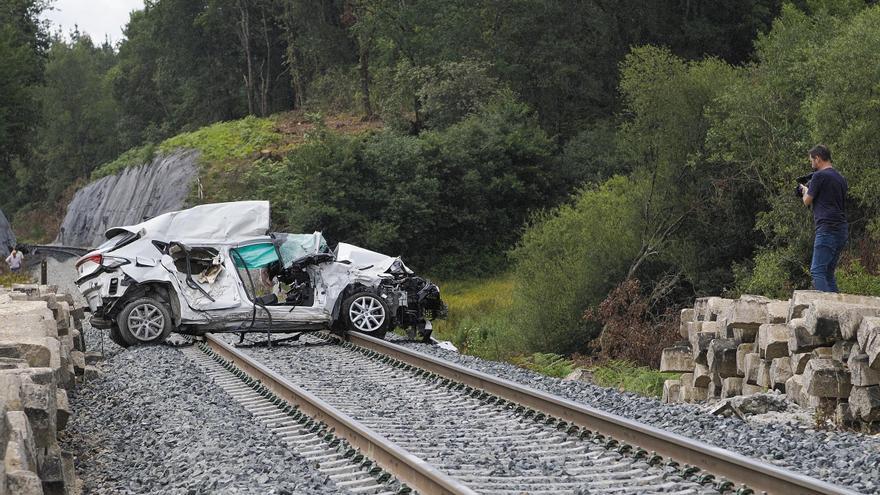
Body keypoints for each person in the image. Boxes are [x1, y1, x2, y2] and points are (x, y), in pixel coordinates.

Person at [799, 145, 848, 292]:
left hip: (827, 228)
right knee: (828, 273)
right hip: (841, 230)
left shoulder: (819, 176)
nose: (811, 164)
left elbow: (807, 201)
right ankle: (836, 309)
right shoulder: (841, 178)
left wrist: (804, 191)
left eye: (811, 161)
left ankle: (825, 310)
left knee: (817, 271)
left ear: (818, 159)